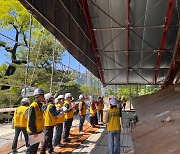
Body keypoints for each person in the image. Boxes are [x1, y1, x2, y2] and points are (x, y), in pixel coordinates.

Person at [26, 88, 45, 154]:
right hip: (34, 132)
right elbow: (31, 121)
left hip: (39, 130)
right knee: (31, 150)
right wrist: (34, 132)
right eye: (41, 95)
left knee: (35, 148)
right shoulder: (33, 106)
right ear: (37, 96)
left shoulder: (40, 105)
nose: (43, 97)